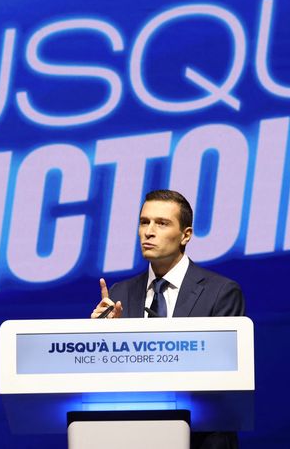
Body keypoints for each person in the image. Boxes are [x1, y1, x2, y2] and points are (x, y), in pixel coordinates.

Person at [91, 189, 243, 449]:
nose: (149, 231)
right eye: (144, 222)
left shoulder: (221, 292)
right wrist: (101, 339)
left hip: (200, 439)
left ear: (186, 235)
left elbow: (222, 380)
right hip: (130, 437)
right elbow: (103, 377)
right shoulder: (119, 295)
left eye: (162, 223)